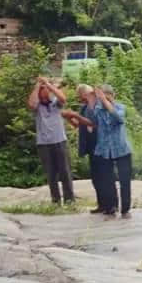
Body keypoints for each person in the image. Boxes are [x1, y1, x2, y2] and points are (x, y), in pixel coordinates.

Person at [28, 76, 74, 205]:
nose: (47, 92)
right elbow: (31, 104)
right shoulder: (37, 107)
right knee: (51, 174)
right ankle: (56, 200)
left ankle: (70, 200)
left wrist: (48, 84)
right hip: (43, 143)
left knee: (65, 172)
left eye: (48, 90)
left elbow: (63, 98)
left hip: (60, 141)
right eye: (44, 90)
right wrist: (37, 86)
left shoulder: (55, 103)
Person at [61, 85, 105, 214]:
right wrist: (69, 117)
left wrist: (75, 115)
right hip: (90, 146)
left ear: (86, 94)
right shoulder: (84, 108)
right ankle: (101, 204)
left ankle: (109, 204)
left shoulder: (97, 106)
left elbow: (92, 123)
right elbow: (78, 125)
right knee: (95, 177)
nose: (79, 98)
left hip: (100, 144)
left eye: (80, 95)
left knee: (103, 176)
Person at [93, 85, 132, 220]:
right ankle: (111, 208)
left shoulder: (121, 107)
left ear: (112, 96)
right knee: (107, 181)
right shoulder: (98, 109)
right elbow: (95, 112)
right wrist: (99, 100)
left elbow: (118, 118)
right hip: (104, 150)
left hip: (121, 149)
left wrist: (105, 100)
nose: (103, 100)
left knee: (125, 181)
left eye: (106, 96)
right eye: (101, 97)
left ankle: (125, 210)